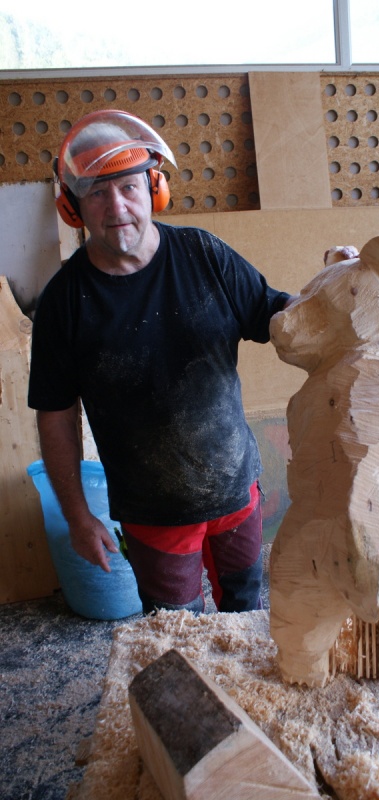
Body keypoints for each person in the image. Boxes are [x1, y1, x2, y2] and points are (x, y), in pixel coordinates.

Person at [28, 109, 291, 615]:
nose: (116, 207)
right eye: (96, 193)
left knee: (246, 612)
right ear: (72, 208)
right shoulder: (64, 303)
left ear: (155, 189)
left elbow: (276, 312)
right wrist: (79, 517)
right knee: (176, 633)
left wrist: (342, 283)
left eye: (128, 187)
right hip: (153, 515)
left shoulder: (204, 254)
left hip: (236, 490)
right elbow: (55, 416)